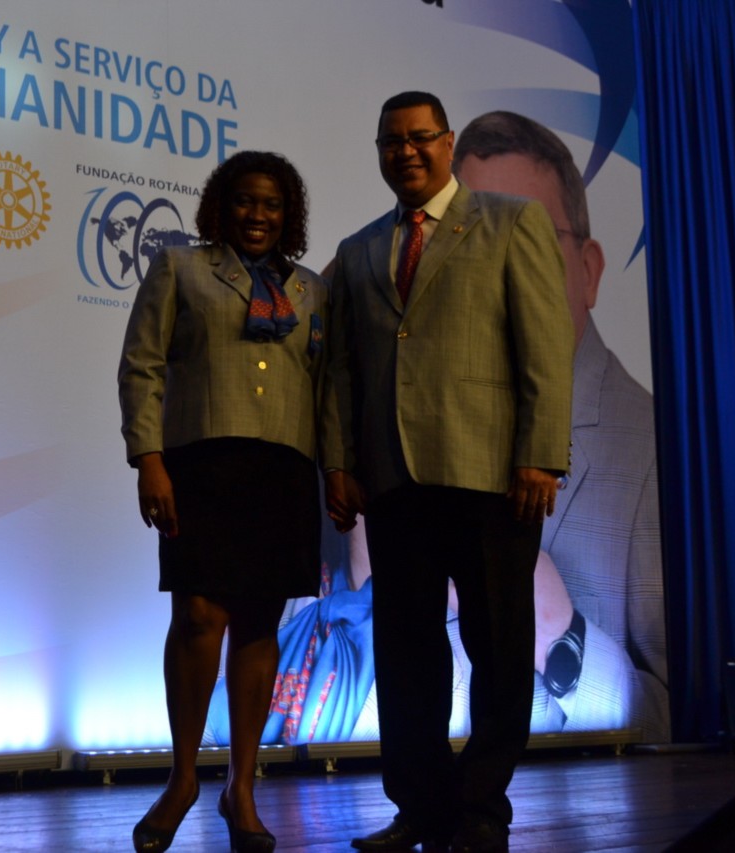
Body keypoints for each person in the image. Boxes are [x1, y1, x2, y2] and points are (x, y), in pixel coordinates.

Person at [329, 92, 573, 853]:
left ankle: (481, 807)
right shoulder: (360, 249)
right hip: (393, 481)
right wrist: (339, 462)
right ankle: (421, 807)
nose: (405, 151)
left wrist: (540, 454)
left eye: (420, 137)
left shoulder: (511, 221)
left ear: (447, 141)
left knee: (499, 647)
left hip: (494, 475)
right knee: (406, 656)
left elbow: (544, 345)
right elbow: (341, 371)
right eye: (390, 141)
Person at [117, 150, 350, 853]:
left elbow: (330, 389)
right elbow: (142, 366)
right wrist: (148, 459)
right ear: (222, 205)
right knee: (197, 617)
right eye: (246, 200)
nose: (258, 214)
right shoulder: (180, 267)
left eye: (272, 204)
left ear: (289, 215)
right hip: (201, 465)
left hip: (284, 471)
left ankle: (241, 786)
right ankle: (182, 777)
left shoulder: (312, 290)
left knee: (257, 625)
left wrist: (338, 468)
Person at [452, 110, 670, 744]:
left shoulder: (658, 454)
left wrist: (559, 636)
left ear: (589, 271)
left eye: (530, 240)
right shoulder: (408, 438)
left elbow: (689, 716)